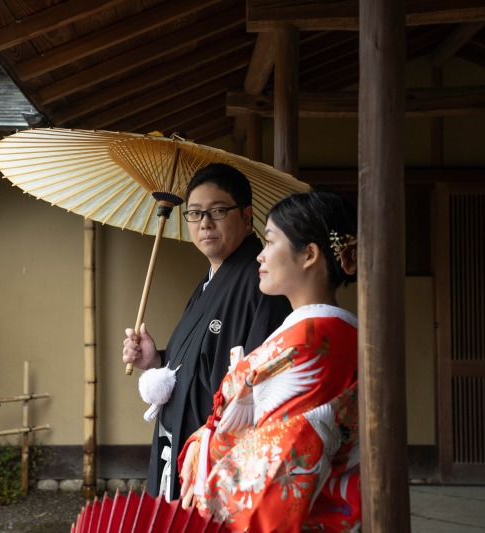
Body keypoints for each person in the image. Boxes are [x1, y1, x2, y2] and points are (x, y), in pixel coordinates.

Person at [178, 189, 361, 532]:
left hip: (300, 513)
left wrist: (207, 446)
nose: (259, 257)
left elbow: (285, 453)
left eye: (270, 242)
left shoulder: (313, 344)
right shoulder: (319, 334)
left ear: (308, 254)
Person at [122, 163, 292, 501]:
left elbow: (261, 385)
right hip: (185, 453)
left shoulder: (261, 283)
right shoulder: (210, 282)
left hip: (220, 463)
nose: (205, 224)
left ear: (246, 216)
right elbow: (195, 364)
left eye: (217, 211)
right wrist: (157, 360)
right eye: (195, 214)